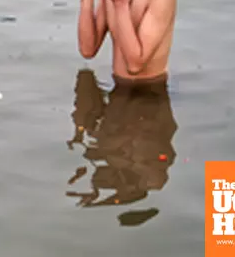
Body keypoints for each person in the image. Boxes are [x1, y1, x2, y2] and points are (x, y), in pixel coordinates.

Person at [66, 68, 178, 226]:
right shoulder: (143, 161)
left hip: (132, 94)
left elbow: (87, 64)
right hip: (145, 92)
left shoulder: (116, 150)